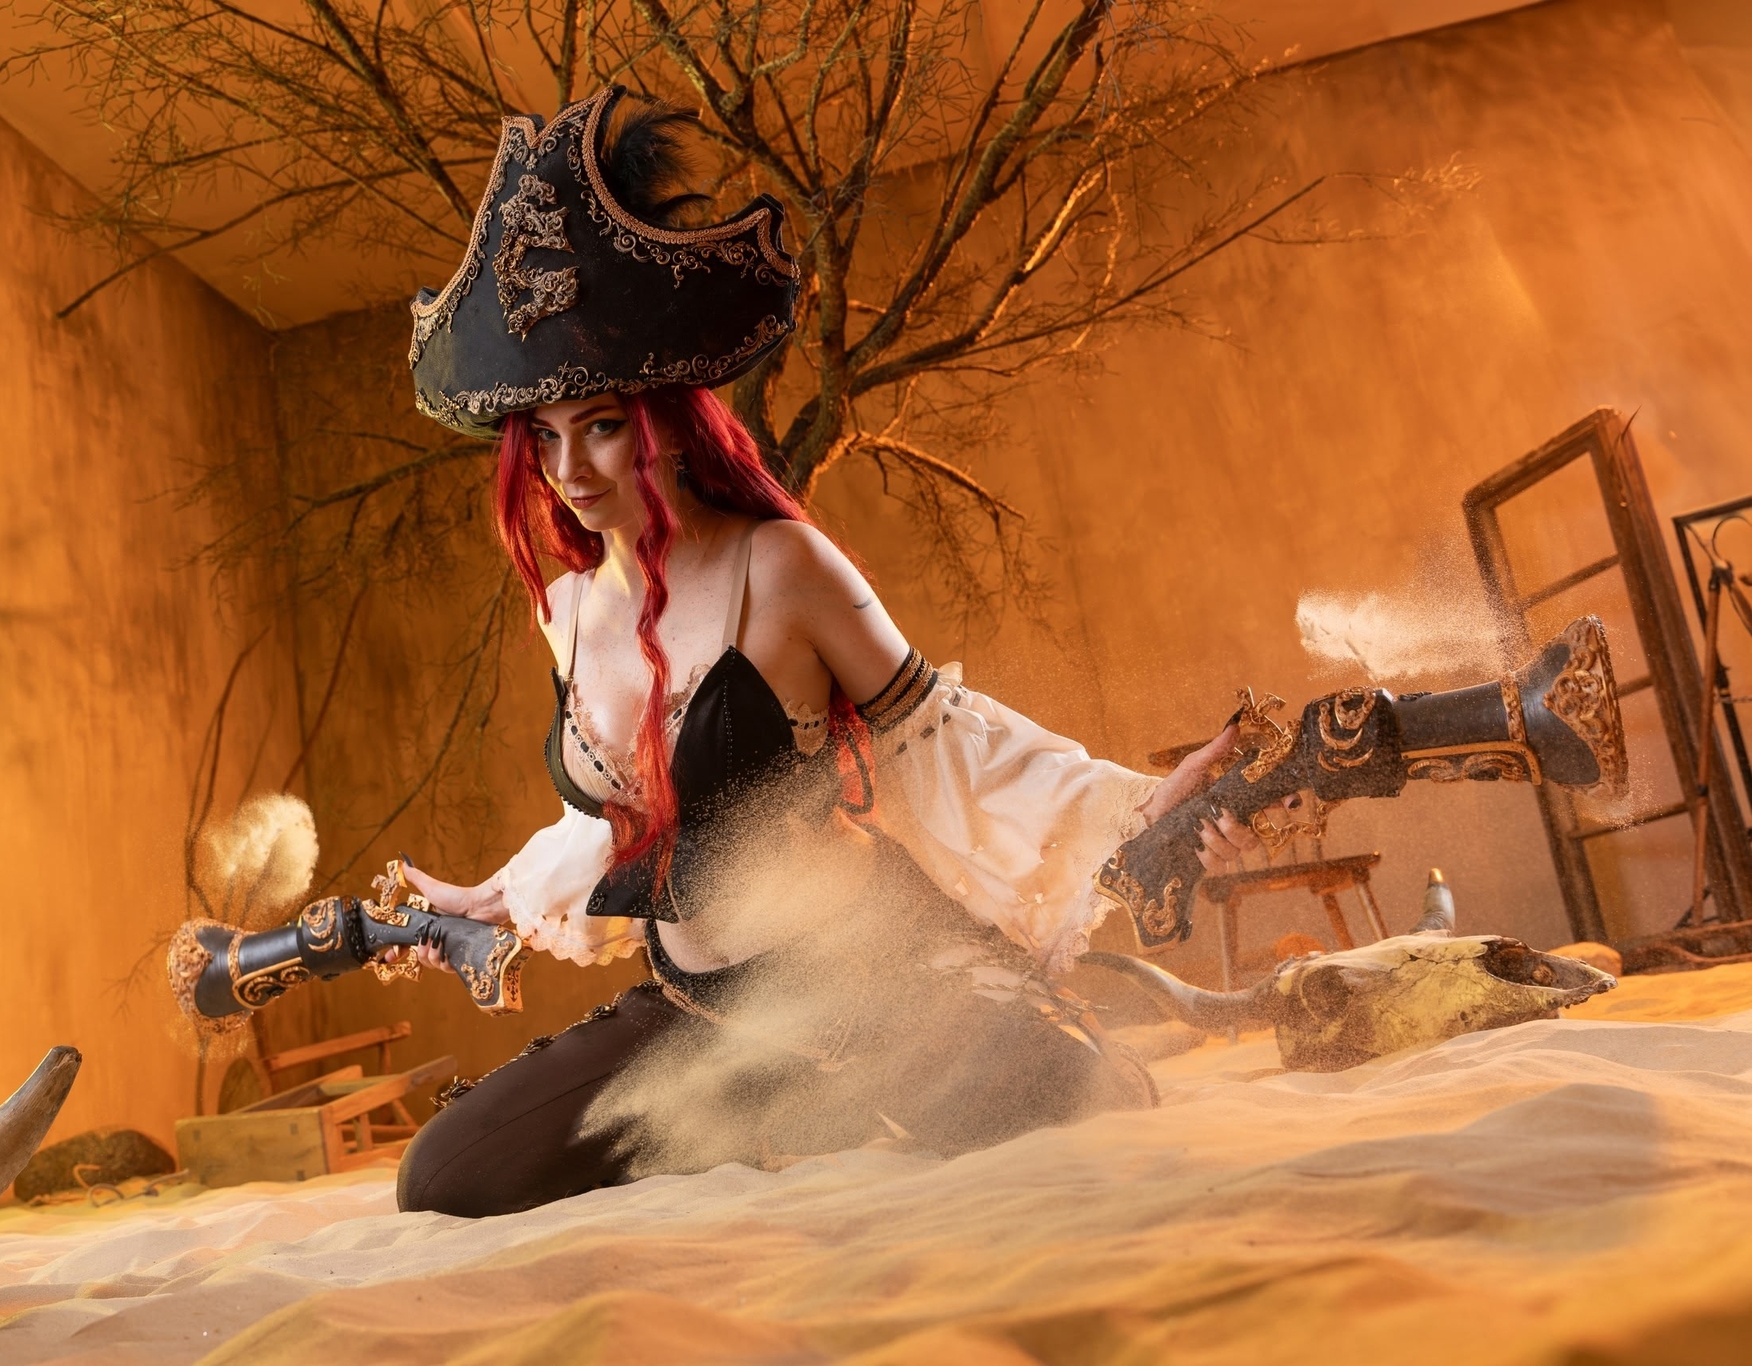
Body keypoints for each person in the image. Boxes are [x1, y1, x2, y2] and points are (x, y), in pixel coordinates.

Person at [388, 86, 1259, 1217]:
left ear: (665, 418)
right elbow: (618, 812)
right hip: (698, 1000)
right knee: (444, 1178)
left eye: (599, 426)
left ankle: (861, 1084)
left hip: (864, 969)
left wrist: (1140, 807)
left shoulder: (781, 565)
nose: (569, 471)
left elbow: (948, 736)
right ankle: (771, 1107)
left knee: (1073, 1112)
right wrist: (498, 894)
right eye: (542, 438)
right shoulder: (564, 610)